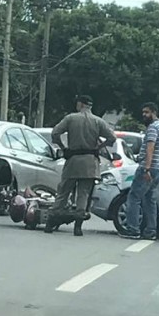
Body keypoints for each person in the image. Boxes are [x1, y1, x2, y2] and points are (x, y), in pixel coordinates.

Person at [45, 95, 116, 236]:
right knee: (83, 194)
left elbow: (55, 133)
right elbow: (112, 138)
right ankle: (78, 227)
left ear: (80, 104)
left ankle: (50, 222)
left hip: (73, 160)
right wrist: (98, 147)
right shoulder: (98, 121)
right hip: (90, 162)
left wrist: (63, 148)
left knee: (63, 192)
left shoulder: (71, 118)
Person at [119, 102, 159, 240]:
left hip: (149, 168)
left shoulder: (152, 128)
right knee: (149, 199)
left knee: (134, 197)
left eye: (147, 112)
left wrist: (146, 168)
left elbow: (150, 148)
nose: (144, 115)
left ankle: (133, 229)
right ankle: (151, 231)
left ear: (154, 112)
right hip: (158, 168)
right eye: (143, 113)